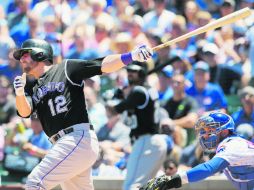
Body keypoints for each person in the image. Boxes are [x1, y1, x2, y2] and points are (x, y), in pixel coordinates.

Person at [12, 38, 153, 190]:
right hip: (66, 144)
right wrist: (20, 93)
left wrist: (131, 56)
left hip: (75, 138)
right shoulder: (33, 87)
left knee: (35, 182)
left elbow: (101, 65)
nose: (21, 59)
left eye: (25, 54)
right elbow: (25, 112)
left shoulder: (65, 68)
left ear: (40, 54)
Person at [140, 112, 254, 190]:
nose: (204, 135)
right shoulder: (233, 144)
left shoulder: (233, 145)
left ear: (224, 131)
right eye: (203, 130)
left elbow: (209, 168)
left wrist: (172, 180)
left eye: (210, 129)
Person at [107, 61, 167, 189]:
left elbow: (114, 110)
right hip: (152, 142)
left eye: (134, 72)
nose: (130, 74)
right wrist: (124, 96)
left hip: (146, 141)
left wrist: (112, 98)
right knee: (146, 187)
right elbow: (129, 120)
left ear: (142, 73)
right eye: (128, 71)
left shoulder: (139, 91)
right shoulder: (146, 90)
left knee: (130, 186)